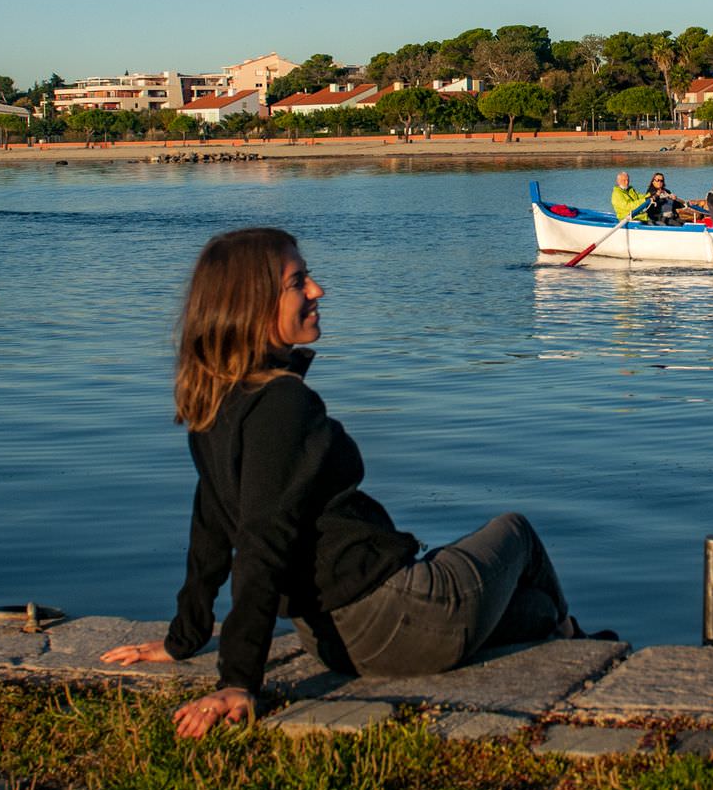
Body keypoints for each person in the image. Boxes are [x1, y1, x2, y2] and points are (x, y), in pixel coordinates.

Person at [102, 228, 603, 737]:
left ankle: (553, 627)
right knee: (517, 533)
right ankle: (577, 641)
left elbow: (211, 525)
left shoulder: (217, 401)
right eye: (299, 282)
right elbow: (260, 540)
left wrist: (182, 638)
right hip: (397, 615)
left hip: (335, 641)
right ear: (253, 304)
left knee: (532, 609)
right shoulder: (281, 404)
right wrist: (239, 680)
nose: (318, 290)